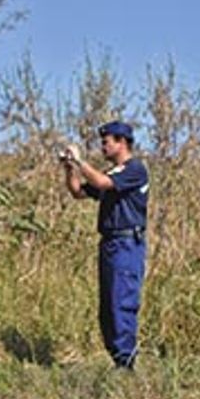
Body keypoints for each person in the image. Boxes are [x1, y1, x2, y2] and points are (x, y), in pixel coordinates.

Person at [59, 121, 149, 369]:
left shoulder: (135, 170)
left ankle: (126, 364)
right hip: (110, 244)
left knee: (122, 302)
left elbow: (101, 183)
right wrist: (70, 169)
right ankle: (118, 360)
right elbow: (78, 192)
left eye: (106, 141)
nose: (103, 147)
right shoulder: (111, 175)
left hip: (127, 244)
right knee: (108, 306)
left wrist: (80, 161)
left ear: (122, 142)